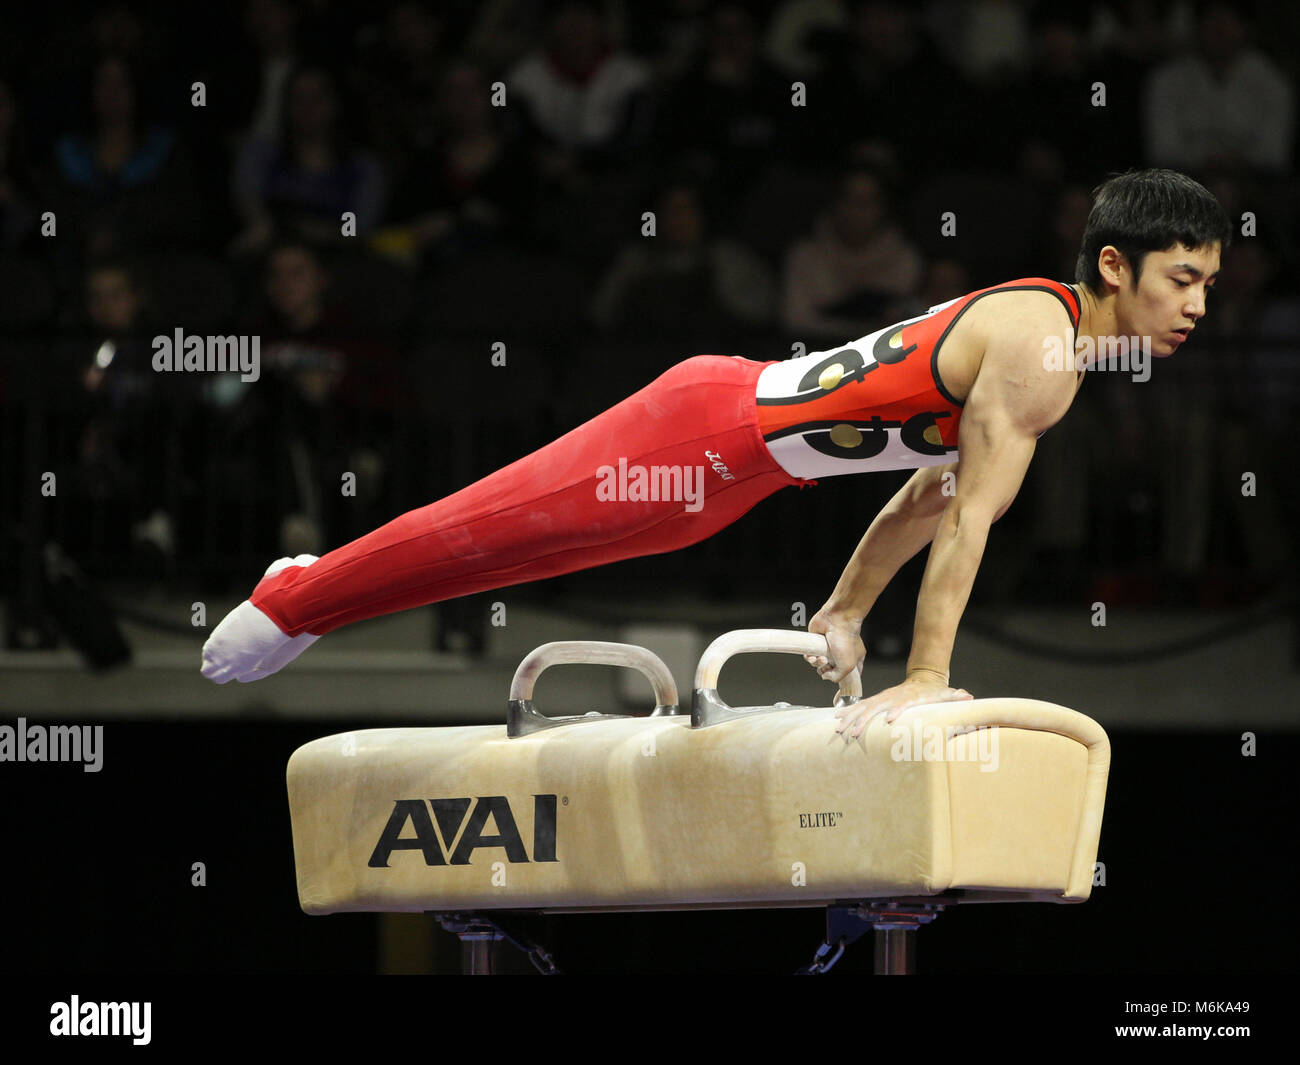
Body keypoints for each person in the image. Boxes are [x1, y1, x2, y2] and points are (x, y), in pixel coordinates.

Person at [202, 168, 1229, 738]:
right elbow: (966, 520)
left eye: (1207, 286)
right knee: (490, 525)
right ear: (1111, 262)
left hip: (736, 484)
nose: (1194, 304)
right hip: (707, 426)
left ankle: (317, 598)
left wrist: (844, 610)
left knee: (513, 556)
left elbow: (926, 495)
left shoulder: (1052, 352)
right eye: (1180, 278)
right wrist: (926, 676)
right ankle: (298, 598)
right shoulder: (1041, 348)